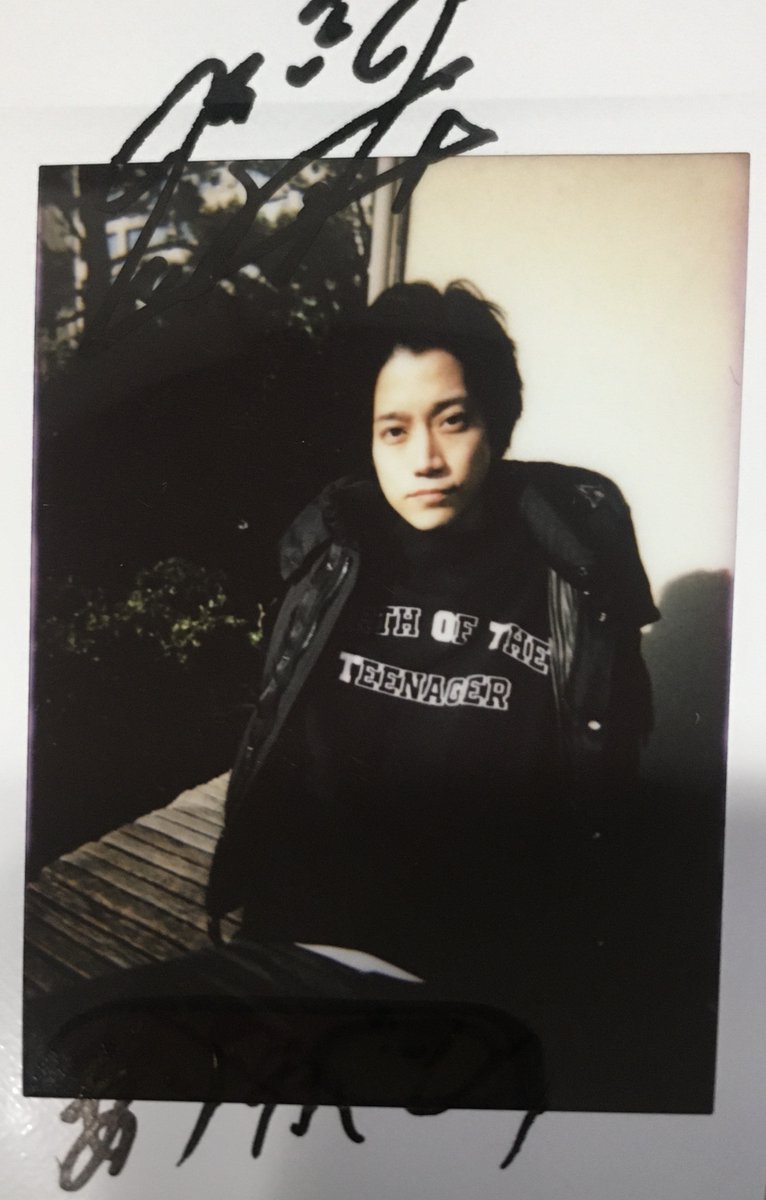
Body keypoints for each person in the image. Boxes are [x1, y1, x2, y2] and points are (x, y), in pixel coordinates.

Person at [202, 280, 660, 1108]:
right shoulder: (332, 551)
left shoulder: (572, 567)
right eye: (394, 429)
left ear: (497, 425)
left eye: (453, 420)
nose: (425, 460)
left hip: (481, 981)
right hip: (300, 949)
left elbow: (607, 779)